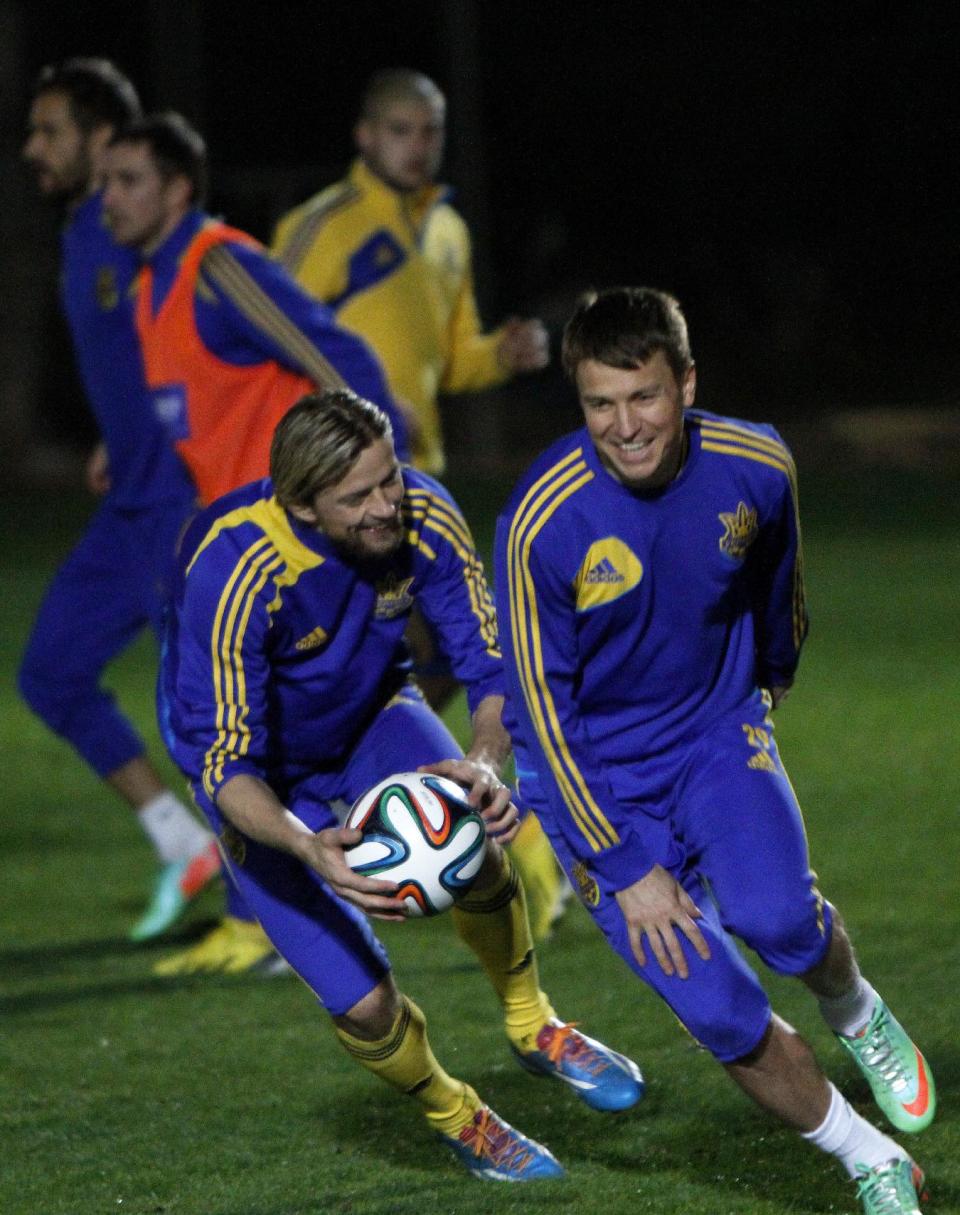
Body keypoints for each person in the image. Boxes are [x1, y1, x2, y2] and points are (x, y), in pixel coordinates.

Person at [493, 287, 935, 1214]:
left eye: (644, 396)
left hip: (712, 738)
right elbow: (541, 713)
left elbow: (782, 585)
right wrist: (623, 864)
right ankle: (870, 1158)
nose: (624, 426)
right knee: (721, 1010)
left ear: (686, 383)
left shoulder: (757, 464)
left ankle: (857, 1010)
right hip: (600, 791)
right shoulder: (541, 521)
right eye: (599, 404)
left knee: (780, 921)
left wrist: (770, 674)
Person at [160, 387, 644, 1179]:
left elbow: (491, 665)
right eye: (360, 495)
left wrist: (485, 761)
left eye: (391, 477)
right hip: (263, 777)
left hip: (377, 711)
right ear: (302, 505)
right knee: (365, 1003)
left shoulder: (424, 511)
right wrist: (307, 845)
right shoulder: (235, 563)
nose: (390, 504)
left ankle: (534, 1023)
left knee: (475, 842)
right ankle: (459, 1114)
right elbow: (222, 764)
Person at [102, 111, 410, 974]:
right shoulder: (147, 286)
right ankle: (270, 911)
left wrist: (388, 487)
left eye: (128, 181)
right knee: (227, 731)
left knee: (266, 732)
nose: (109, 199)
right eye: (106, 183)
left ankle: (295, 913)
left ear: (178, 188)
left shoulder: (218, 267)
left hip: (296, 550)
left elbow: (335, 354)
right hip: (229, 549)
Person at [272, 70, 562, 938]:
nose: (417, 144)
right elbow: (258, 341)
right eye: (400, 129)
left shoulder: (446, 229)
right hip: (328, 511)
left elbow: (447, 361)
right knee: (361, 686)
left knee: (454, 674)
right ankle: (331, 866)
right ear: (365, 136)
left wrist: (496, 357)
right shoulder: (317, 226)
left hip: (413, 500)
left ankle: (504, 851)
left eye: (429, 130)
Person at [19, 58, 221, 942]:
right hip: (129, 505)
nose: (33, 147)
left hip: (180, 506)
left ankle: (280, 924)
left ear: (106, 141)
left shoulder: (146, 235)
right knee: (52, 673)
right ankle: (182, 842)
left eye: (49, 131)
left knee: (214, 720)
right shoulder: (80, 232)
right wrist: (119, 430)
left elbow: (200, 340)